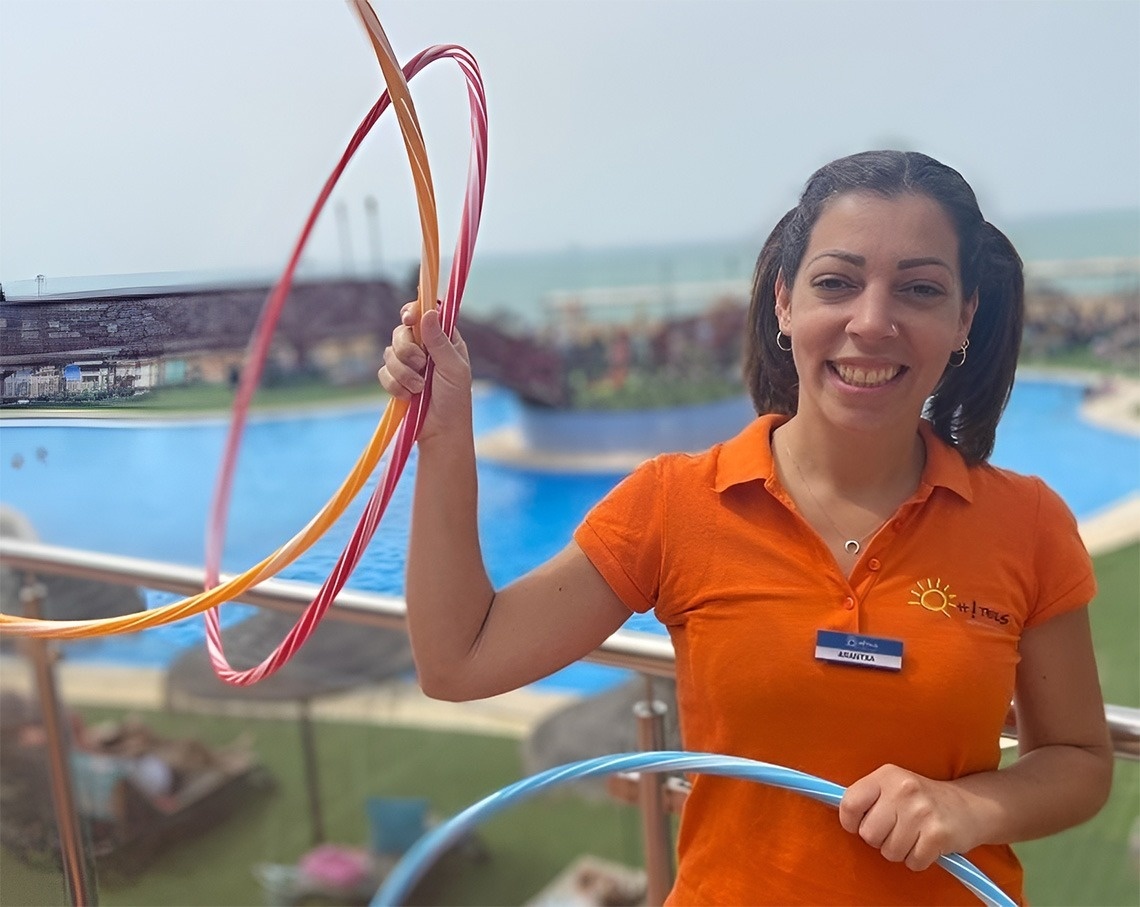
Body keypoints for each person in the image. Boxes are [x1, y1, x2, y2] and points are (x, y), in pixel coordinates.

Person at [378, 150, 1113, 905]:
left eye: (920, 289)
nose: (872, 320)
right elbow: (458, 660)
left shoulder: (1027, 523)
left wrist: (971, 806)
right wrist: (442, 437)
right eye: (838, 282)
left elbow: (1080, 757)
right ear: (786, 303)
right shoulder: (674, 503)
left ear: (963, 320)